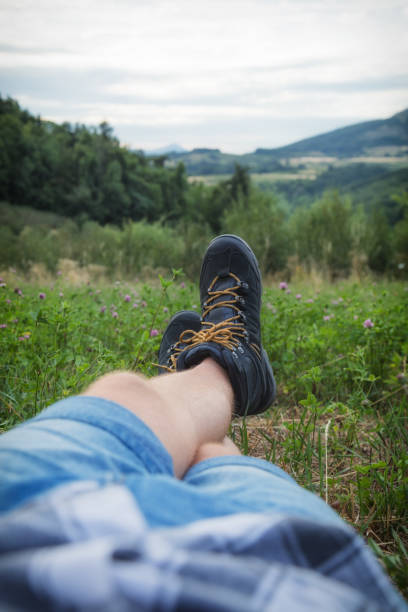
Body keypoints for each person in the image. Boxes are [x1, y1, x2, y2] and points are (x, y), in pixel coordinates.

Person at [0, 234, 406, 611]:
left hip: (18, 522)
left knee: (140, 407)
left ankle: (192, 395)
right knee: (205, 451)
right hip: (286, 575)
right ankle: (225, 371)